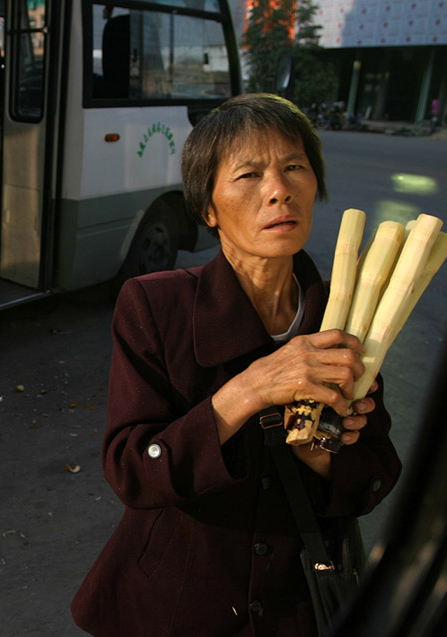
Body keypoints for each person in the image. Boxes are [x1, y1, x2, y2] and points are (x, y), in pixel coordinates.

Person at [71, 93, 402, 636]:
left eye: (295, 167)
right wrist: (252, 388)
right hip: (178, 606)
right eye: (249, 174)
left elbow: (372, 478)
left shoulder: (344, 316)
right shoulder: (156, 306)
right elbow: (133, 469)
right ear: (207, 208)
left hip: (296, 607)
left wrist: (322, 446)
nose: (279, 189)